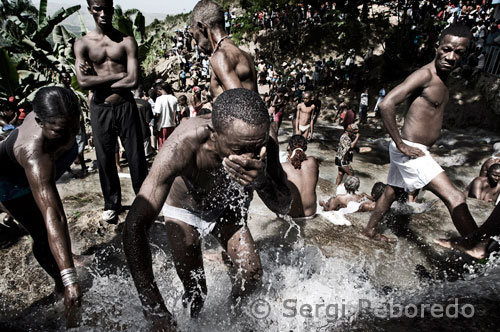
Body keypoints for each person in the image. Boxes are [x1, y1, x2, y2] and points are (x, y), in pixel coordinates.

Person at [122, 89, 291, 330]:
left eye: (256, 147)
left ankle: (232, 322)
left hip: (225, 208)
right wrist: (154, 308)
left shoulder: (265, 141)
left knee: (252, 275)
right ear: (214, 134)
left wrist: (261, 180)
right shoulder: (182, 144)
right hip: (185, 211)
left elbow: (283, 206)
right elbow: (135, 225)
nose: (250, 158)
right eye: (239, 149)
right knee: (196, 292)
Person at [361, 24, 480, 242]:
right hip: (410, 149)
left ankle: (369, 230)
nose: (451, 57)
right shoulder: (425, 75)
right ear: (437, 47)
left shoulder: (443, 78)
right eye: (447, 49)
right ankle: (478, 247)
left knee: (392, 191)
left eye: (459, 53)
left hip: (413, 148)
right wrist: (400, 145)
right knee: (454, 196)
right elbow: (387, 104)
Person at [0, 87, 82, 325]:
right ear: (38, 121)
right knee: (41, 231)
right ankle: (60, 284)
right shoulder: (32, 151)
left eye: (73, 129)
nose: (68, 138)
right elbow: (53, 215)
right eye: (59, 132)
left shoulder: (65, 115)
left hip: (46, 166)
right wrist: (70, 280)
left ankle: (64, 261)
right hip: (11, 182)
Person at [74, 0, 148, 223]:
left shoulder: (126, 41)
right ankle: (111, 204)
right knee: (104, 157)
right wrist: (119, 75)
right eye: (98, 8)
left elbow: (134, 80)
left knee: (136, 155)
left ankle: (144, 201)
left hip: (125, 105)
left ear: (112, 9)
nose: (103, 13)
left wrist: (97, 81)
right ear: (90, 10)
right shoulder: (83, 43)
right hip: (100, 109)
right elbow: (83, 82)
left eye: (107, 8)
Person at [189, 0, 258, 98]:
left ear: (201, 27)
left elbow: (241, 105)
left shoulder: (221, 57)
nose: (194, 41)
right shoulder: (245, 55)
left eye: (193, 34)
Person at [281, 135, 319, 220]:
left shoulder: (283, 167)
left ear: (288, 147)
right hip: (311, 212)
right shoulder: (313, 161)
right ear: (305, 148)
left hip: (291, 215)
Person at [60, 70, 88, 177]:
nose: (67, 79)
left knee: (80, 144)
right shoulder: (62, 92)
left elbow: (77, 106)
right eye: (65, 77)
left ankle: (83, 167)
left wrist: (81, 118)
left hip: (77, 121)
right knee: (68, 145)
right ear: (61, 79)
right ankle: (70, 168)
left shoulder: (71, 91)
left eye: (69, 77)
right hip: (69, 123)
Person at [320, 179, 386, 213]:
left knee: (331, 200)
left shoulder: (339, 197)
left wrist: (323, 204)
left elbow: (330, 212)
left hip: (346, 212)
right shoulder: (362, 197)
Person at [153, 83, 178, 150]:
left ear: (160, 90)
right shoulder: (174, 98)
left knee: (162, 146)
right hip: (172, 126)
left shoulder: (159, 99)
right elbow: (176, 113)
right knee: (171, 145)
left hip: (162, 126)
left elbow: (157, 114)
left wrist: (155, 125)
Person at [133, 88, 154, 158]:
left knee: (135, 153)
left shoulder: (127, 103)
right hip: (143, 131)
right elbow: (148, 120)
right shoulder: (146, 104)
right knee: (145, 155)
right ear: (142, 93)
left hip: (131, 132)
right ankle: (145, 167)